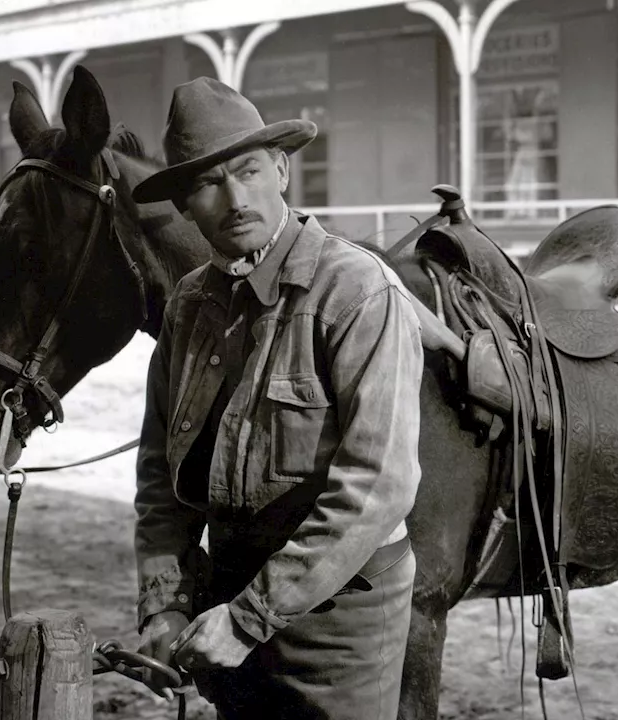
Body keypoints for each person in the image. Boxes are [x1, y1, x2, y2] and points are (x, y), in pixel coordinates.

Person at [129, 77, 425, 719]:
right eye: (208, 183)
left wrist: (246, 619)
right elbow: (160, 473)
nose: (235, 198)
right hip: (227, 598)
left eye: (249, 170)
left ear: (282, 170)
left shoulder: (357, 293)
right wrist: (166, 601)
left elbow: (377, 484)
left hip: (341, 613)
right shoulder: (188, 306)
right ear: (184, 205)